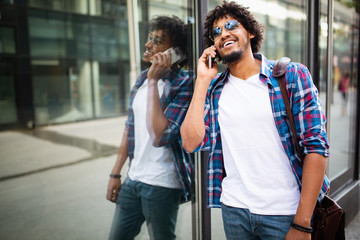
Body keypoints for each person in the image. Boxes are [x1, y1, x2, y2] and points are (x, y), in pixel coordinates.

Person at [180, 1, 330, 240]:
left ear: (250, 31)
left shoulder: (291, 76)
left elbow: (316, 147)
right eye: (216, 32)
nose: (224, 33)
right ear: (214, 47)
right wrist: (202, 81)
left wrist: (302, 222)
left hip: (286, 212)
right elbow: (190, 142)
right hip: (235, 210)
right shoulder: (214, 90)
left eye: (231, 25)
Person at [106, 15, 193, 240]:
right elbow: (130, 126)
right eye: (149, 38)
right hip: (133, 180)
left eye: (157, 40)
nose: (148, 44)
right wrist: (116, 172)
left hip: (162, 185)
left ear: (175, 53)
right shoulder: (142, 78)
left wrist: (155, 81)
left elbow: (160, 135)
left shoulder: (185, 83)